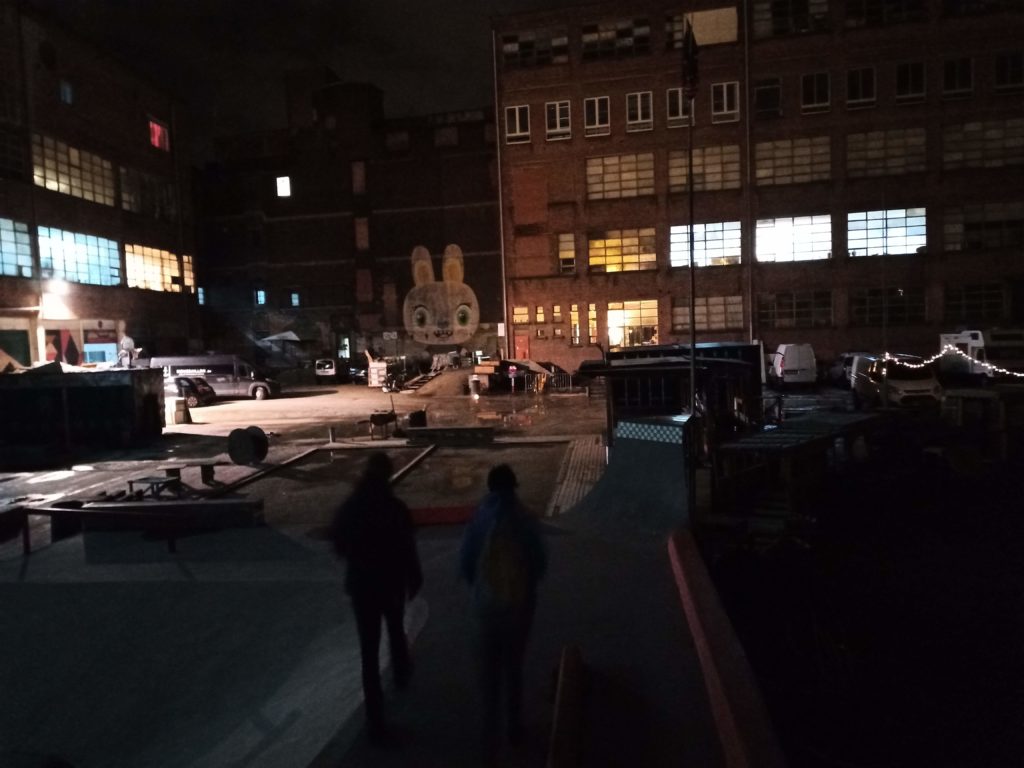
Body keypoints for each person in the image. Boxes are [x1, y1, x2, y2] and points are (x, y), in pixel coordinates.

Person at [330, 452, 422, 745]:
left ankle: (375, 719)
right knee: (395, 629)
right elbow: (407, 546)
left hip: (362, 587)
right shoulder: (394, 507)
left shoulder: (353, 506)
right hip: (390, 583)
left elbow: (337, 538)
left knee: (368, 652)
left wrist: (355, 558)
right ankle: (401, 672)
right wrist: (413, 577)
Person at [459, 464, 547, 759]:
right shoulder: (524, 518)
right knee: (513, 669)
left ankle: (489, 742)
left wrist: (482, 590)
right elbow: (539, 564)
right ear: (514, 486)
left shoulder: (480, 518)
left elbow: (467, 563)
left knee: (488, 677)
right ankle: (514, 729)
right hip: (519, 608)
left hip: (485, 610)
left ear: (490, 487)